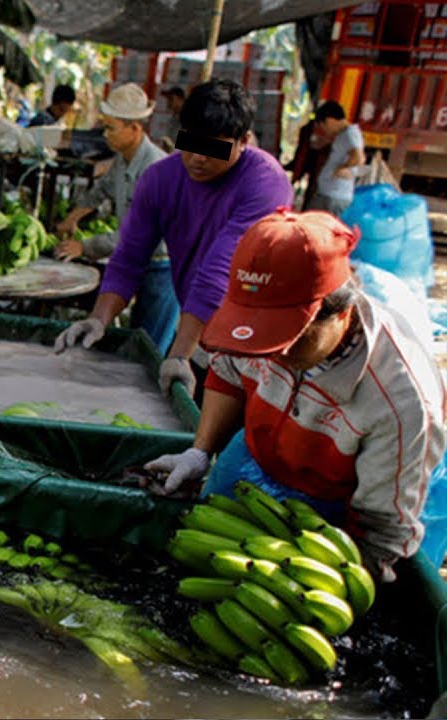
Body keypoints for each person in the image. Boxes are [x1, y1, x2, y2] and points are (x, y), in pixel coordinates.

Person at [141, 210, 447, 583]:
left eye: (290, 340)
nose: (273, 356)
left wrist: (336, 587)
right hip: (263, 451)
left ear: (342, 313)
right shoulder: (251, 329)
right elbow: (229, 374)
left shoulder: (401, 402)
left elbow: (380, 534)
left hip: (352, 500)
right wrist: (199, 452)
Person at [53, 79, 293, 397]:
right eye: (189, 143)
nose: (198, 158)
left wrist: (178, 354)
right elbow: (128, 258)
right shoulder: (159, 180)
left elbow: (219, 268)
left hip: (261, 343)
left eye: (213, 148)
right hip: (203, 335)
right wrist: (99, 318)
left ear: (243, 141)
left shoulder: (265, 183)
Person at [54, 83, 176, 353]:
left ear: (134, 128)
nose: (105, 135)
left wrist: (84, 247)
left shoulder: (156, 168)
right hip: (136, 263)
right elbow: (100, 191)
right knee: (133, 337)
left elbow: (138, 234)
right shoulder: (122, 159)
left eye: (111, 128)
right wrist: (72, 217)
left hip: (162, 267)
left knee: (149, 348)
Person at [308, 100, 365, 217]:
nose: (324, 131)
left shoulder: (351, 134)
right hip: (328, 194)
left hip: (335, 198)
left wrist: (342, 169)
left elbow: (359, 158)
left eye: (323, 126)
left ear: (330, 120)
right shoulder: (342, 134)